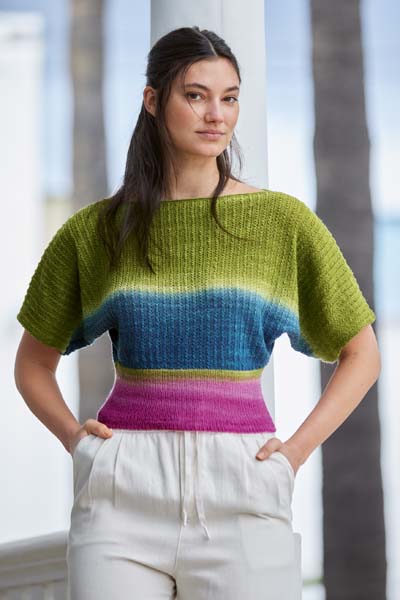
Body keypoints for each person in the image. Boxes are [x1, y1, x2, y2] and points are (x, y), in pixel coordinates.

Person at [14, 26, 380, 600]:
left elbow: (362, 353)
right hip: (123, 491)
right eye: (195, 95)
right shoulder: (97, 231)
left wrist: (293, 454)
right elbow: (32, 364)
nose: (216, 114)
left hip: (243, 484)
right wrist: (78, 443)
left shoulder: (281, 223)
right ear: (152, 99)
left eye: (229, 97)